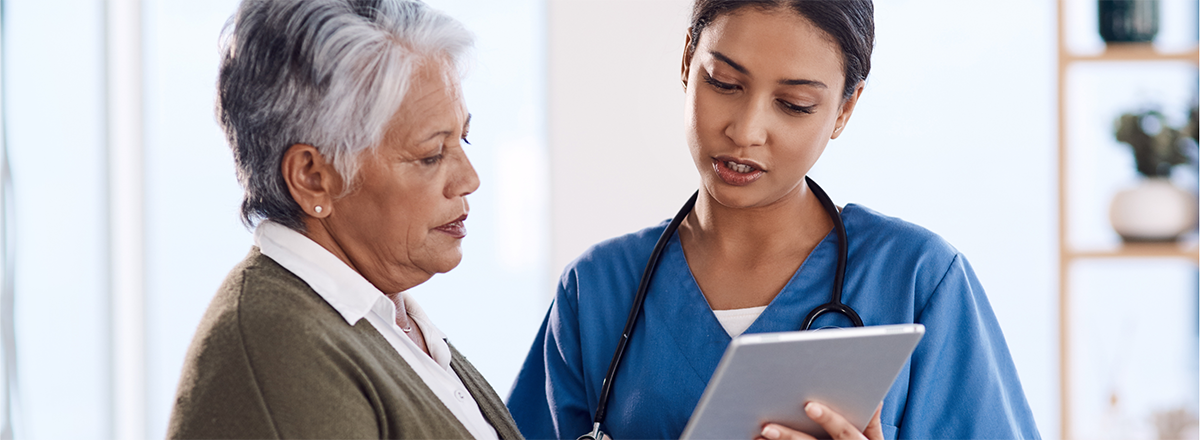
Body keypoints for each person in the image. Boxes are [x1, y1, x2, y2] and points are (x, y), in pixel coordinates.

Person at [506, 1, 1041, 439]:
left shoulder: (918, 279)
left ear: (845, 111)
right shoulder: (597, 290)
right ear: (687, 59)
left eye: (794, 104)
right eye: (724, 82)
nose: (746, 129)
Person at [167, 1, 523, 439]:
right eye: (431, 155)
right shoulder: (281, 354)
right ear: (313, 178)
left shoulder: (384, 319)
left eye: (463, 139)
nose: (470, 179)